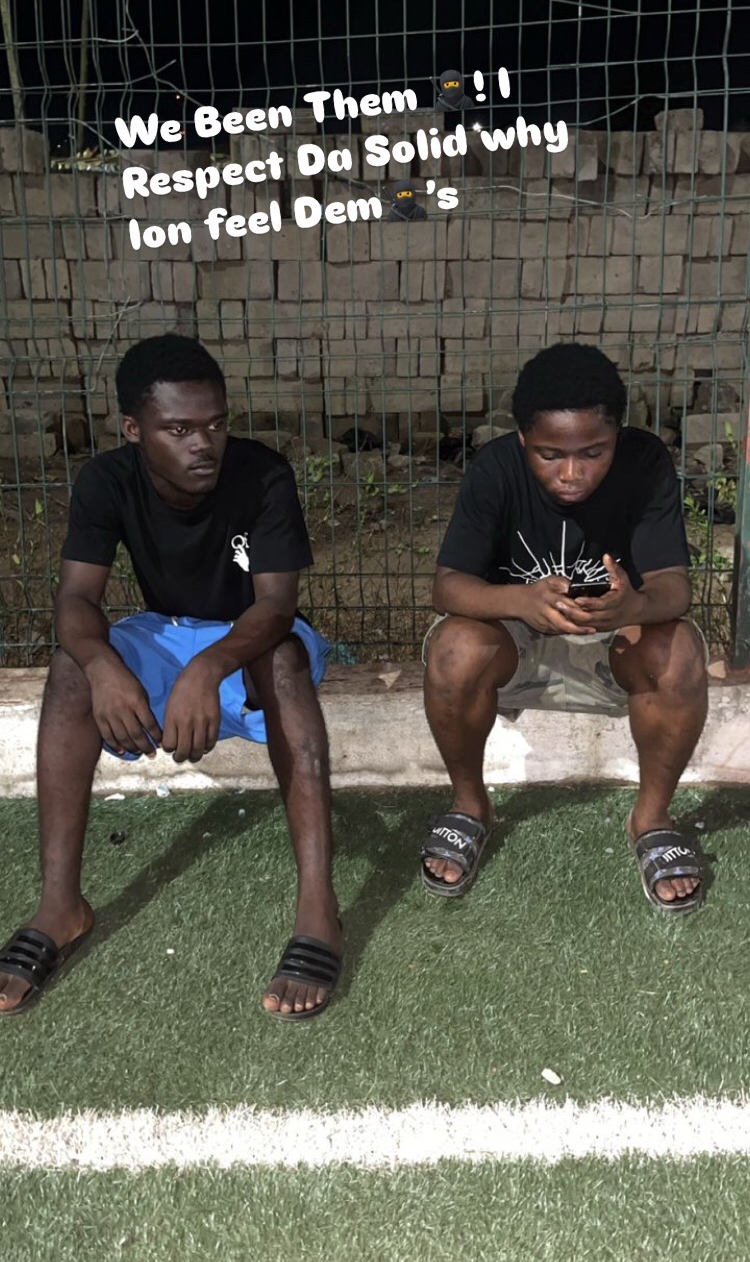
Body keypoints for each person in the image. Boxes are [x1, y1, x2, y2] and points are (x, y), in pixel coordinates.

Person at [0, 334, 341, 1021]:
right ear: (134, 430)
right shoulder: (106, 480)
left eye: (214, 424)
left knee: (283, 660)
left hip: (256, 634)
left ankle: (318, 908)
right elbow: (76, 600)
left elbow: (276, 606)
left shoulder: (263, 474)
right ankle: (60, 905)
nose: (203, 444)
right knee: (71, 667)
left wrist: (206, 669)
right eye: (179, 430)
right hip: (165, 629)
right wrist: (103, 666)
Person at [421, 342, 709, 912]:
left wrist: (633, 607)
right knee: (454, 648)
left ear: (617, 436)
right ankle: (470, 805)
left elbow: (675, 587)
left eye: (593, 452)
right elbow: (447, 587)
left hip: (615, 642)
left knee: (679, 652)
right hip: (517, 639)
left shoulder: (645, 463)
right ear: (523, 439)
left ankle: (652, 819)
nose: (572, 473)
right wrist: (520, 600)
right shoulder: (496, 468)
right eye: (550, 454)